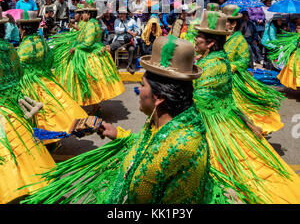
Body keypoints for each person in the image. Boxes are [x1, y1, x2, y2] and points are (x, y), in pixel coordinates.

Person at [22, 36, 233, 205]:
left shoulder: (184, 147)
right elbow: (147, 148)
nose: (138, 92)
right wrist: (116, 133)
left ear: (159, 98)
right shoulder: (163, 124)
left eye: (142, 86)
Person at [193, 10, 300, 204]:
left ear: (210, 42)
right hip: (223, 106)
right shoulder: (211, 59)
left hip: (218, 116)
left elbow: (241, 62)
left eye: (198, 36)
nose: (195, 39)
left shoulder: (218, 61)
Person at [0, 10, 56, 204]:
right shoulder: (10, 48)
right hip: (14, 104)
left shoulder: (19, 47)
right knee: (22, 149)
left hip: (3, 108)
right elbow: (20, 72)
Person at [16, 11, 88, 136]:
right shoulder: (42, 41)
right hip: (45, 80)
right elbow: (50, 60)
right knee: (53, 111)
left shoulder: (25, 46)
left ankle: (46, 140)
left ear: (23, 28)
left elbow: (17, 67)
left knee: (39, 117)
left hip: (29, 83)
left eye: (19, 26)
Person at [223, 5, 284, 135]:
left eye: (225, 21)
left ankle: (249, 130)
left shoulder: (240, 40)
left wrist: (229, 67)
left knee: (240, 108)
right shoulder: (223, 37)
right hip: (221, 78)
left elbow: (244, 61)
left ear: (233, 24)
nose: (222, 24)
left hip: (234, 80)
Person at [53, 0, 125, 108]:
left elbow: (88, 43)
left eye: (84, 13)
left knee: (87, 82)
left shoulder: (91, 25)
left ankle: (94, 107)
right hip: (94, 52)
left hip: (89, 55)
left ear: (89, 14)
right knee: (91, 84)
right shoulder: (94, 23)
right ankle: (94, 106)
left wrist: (75, 48)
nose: (82, 15)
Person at [268, 18, 300, 90]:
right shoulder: (296, 33)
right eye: (296, 24)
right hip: (297, 54)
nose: (297, 26)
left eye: (298, 24)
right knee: (293, 69)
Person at [110, 7, 140, 74]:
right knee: (110, 47)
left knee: (132, 49)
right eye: (120, 14)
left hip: (129, 41)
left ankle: (130, 66)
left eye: (122, 14)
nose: (120, 15)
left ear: (126, 14)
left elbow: (138, 30)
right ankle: (113, 64)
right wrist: (126, 30)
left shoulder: (132, 21)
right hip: (119, 40)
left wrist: (136, 33)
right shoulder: (117, 21)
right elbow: (116, 30)